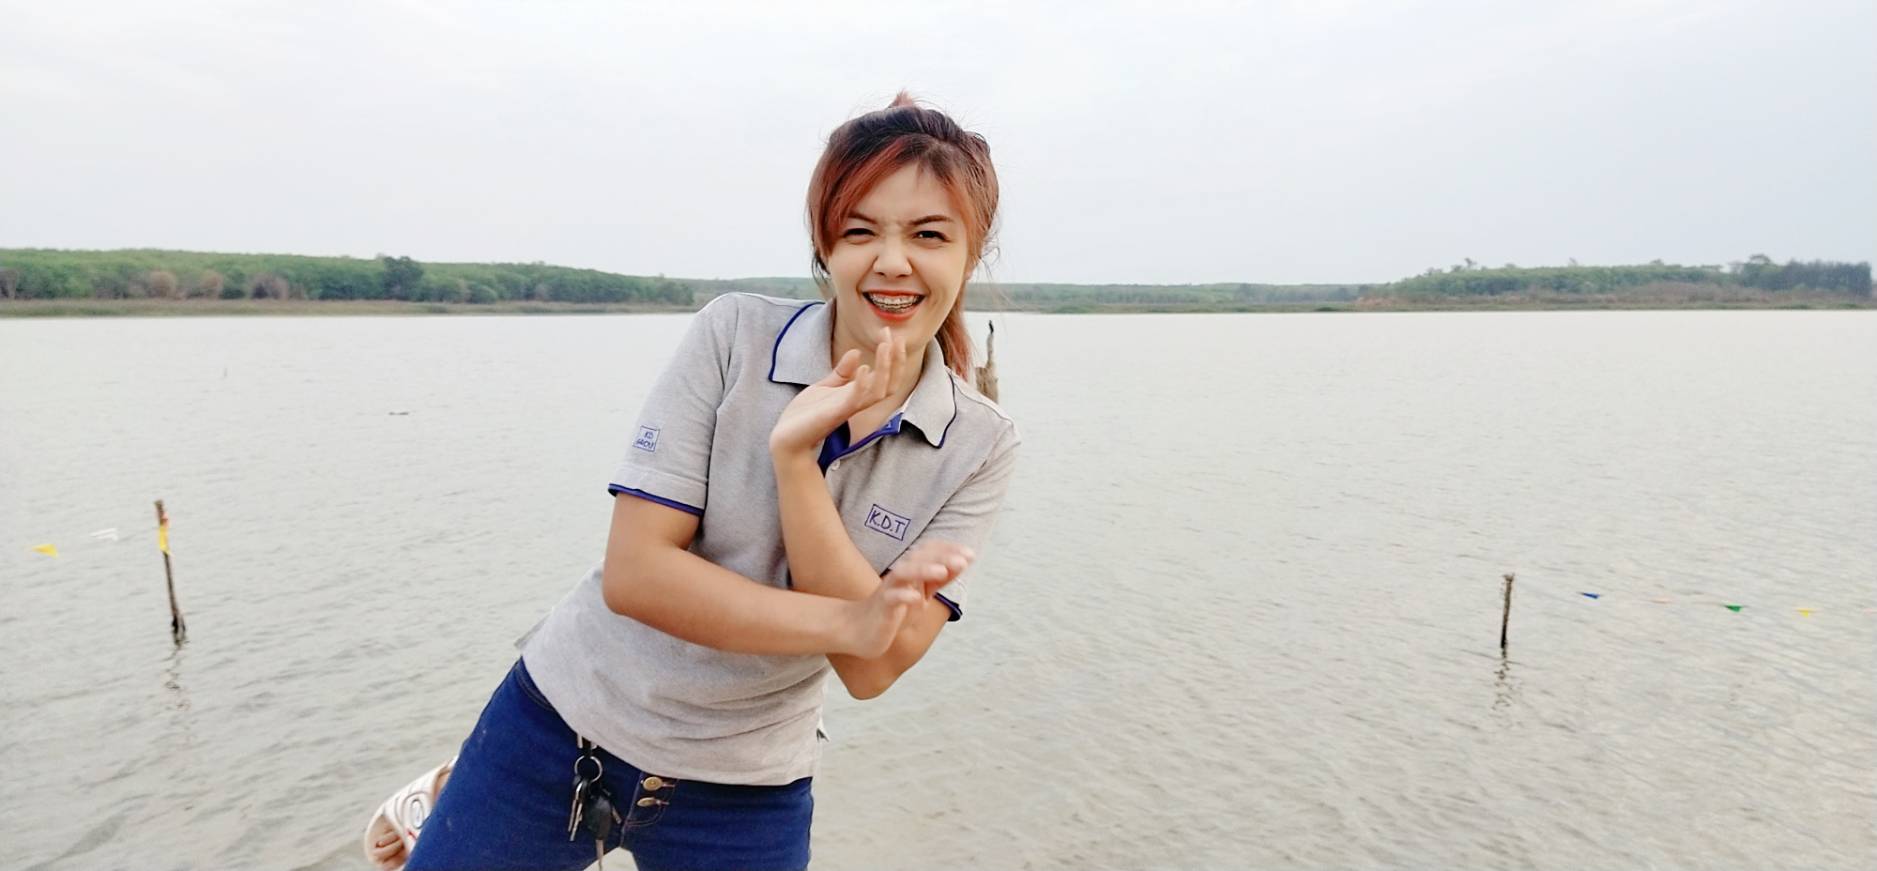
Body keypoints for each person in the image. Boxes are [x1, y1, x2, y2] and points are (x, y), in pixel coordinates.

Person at [392, 92, 1018, 871]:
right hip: (565, 727)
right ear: (825, 247)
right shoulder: (733, 337)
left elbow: (871, 668)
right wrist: (851, 619)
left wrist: (796, 465)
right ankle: (449, 795)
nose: (892, 260)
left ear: (970, 253)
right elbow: (637, 574)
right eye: (860, 231)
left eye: (928, 234)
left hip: (746, 786)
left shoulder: (979, 443)